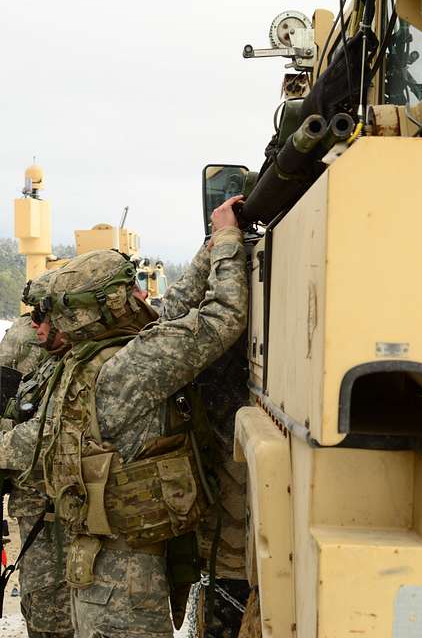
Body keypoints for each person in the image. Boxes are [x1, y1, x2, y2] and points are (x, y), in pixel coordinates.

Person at [0, 195, 248, 637]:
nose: (138, 294)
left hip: (101, 571)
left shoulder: (84, 362)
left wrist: (210, 244)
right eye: (128, 289)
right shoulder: (127, 367)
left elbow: (165, 317)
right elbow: (222, 318)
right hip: (126, 579)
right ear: (111, 305)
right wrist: (228, 242)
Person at [0, 271, 74, 638]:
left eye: (41, 314)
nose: (35, 324)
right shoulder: (29, 343)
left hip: (57, 510)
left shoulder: (81, 358)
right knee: (43, 604)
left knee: (53, 611)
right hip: (37, 506)